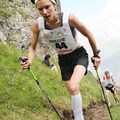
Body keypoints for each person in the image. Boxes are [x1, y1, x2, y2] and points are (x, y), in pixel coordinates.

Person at [21, 0, 101, 119]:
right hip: (63, 60)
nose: (44, 12)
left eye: (47, 7)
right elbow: (32, 47)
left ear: (54, 5)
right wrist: (30, 61)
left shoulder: (69, 18)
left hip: (79, 54)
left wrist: (96, 55)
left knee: (74, 86)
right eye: (40, 9)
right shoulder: (37, 25)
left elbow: (88, 33)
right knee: (72, 91)